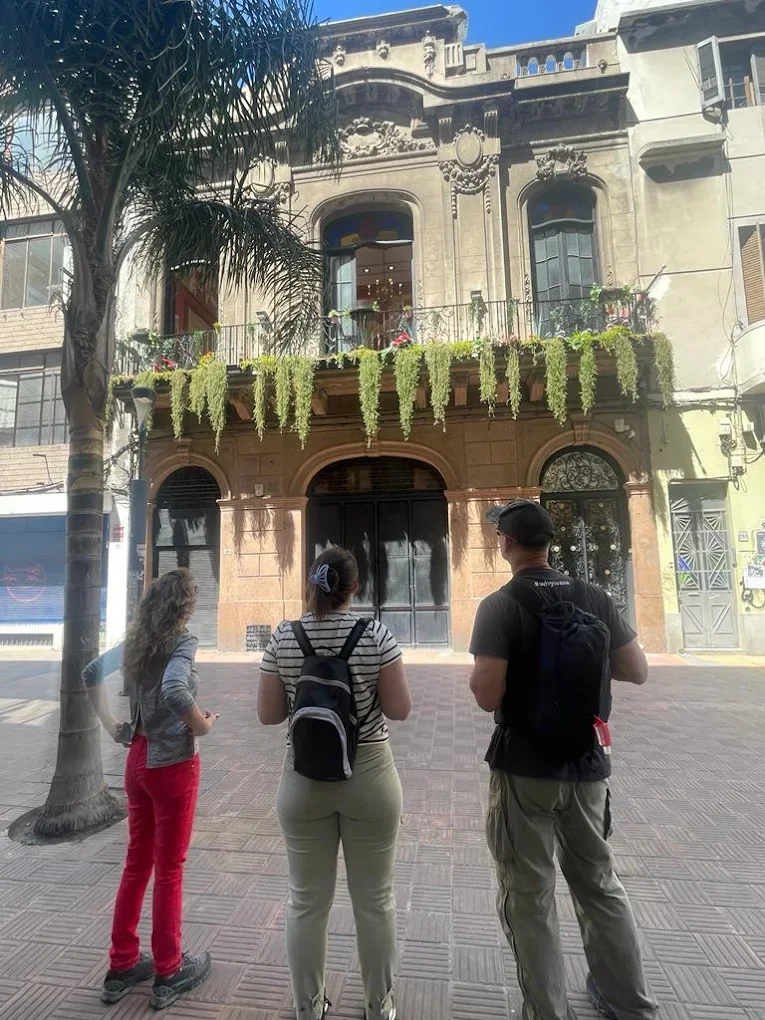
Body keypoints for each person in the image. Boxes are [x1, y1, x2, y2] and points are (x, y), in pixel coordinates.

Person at [468, 499, 658, 1020]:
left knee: (529, 895)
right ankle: (628, 1003)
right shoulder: (595, 596)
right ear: (550, 543)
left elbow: (487, 696)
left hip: (525, 768)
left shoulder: (499, 606)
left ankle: (547, 1012)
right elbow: (637, 670)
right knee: (600, 884)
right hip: (587, 763)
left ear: (506, 544)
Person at [257, 546, 412, 1020]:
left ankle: (308, 1008)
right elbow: (400, 709)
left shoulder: (283, 636)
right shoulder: (376, 634)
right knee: (376, 901)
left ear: (312, 584)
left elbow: (268, 714)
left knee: (306, 903)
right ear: (354, 587)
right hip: (370, 775)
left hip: (303, 780)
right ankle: (379, 1005)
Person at [81, 567, 216, 1011]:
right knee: (170, 868)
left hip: (136, 760)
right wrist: (203, 725)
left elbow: (90, 672)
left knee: (137, 863)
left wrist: (112, 727)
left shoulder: (139, 643)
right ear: (185, 607)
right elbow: (176, 689)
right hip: (172, 765)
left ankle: (121, 964)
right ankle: (168, 970)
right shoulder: (182, 642)